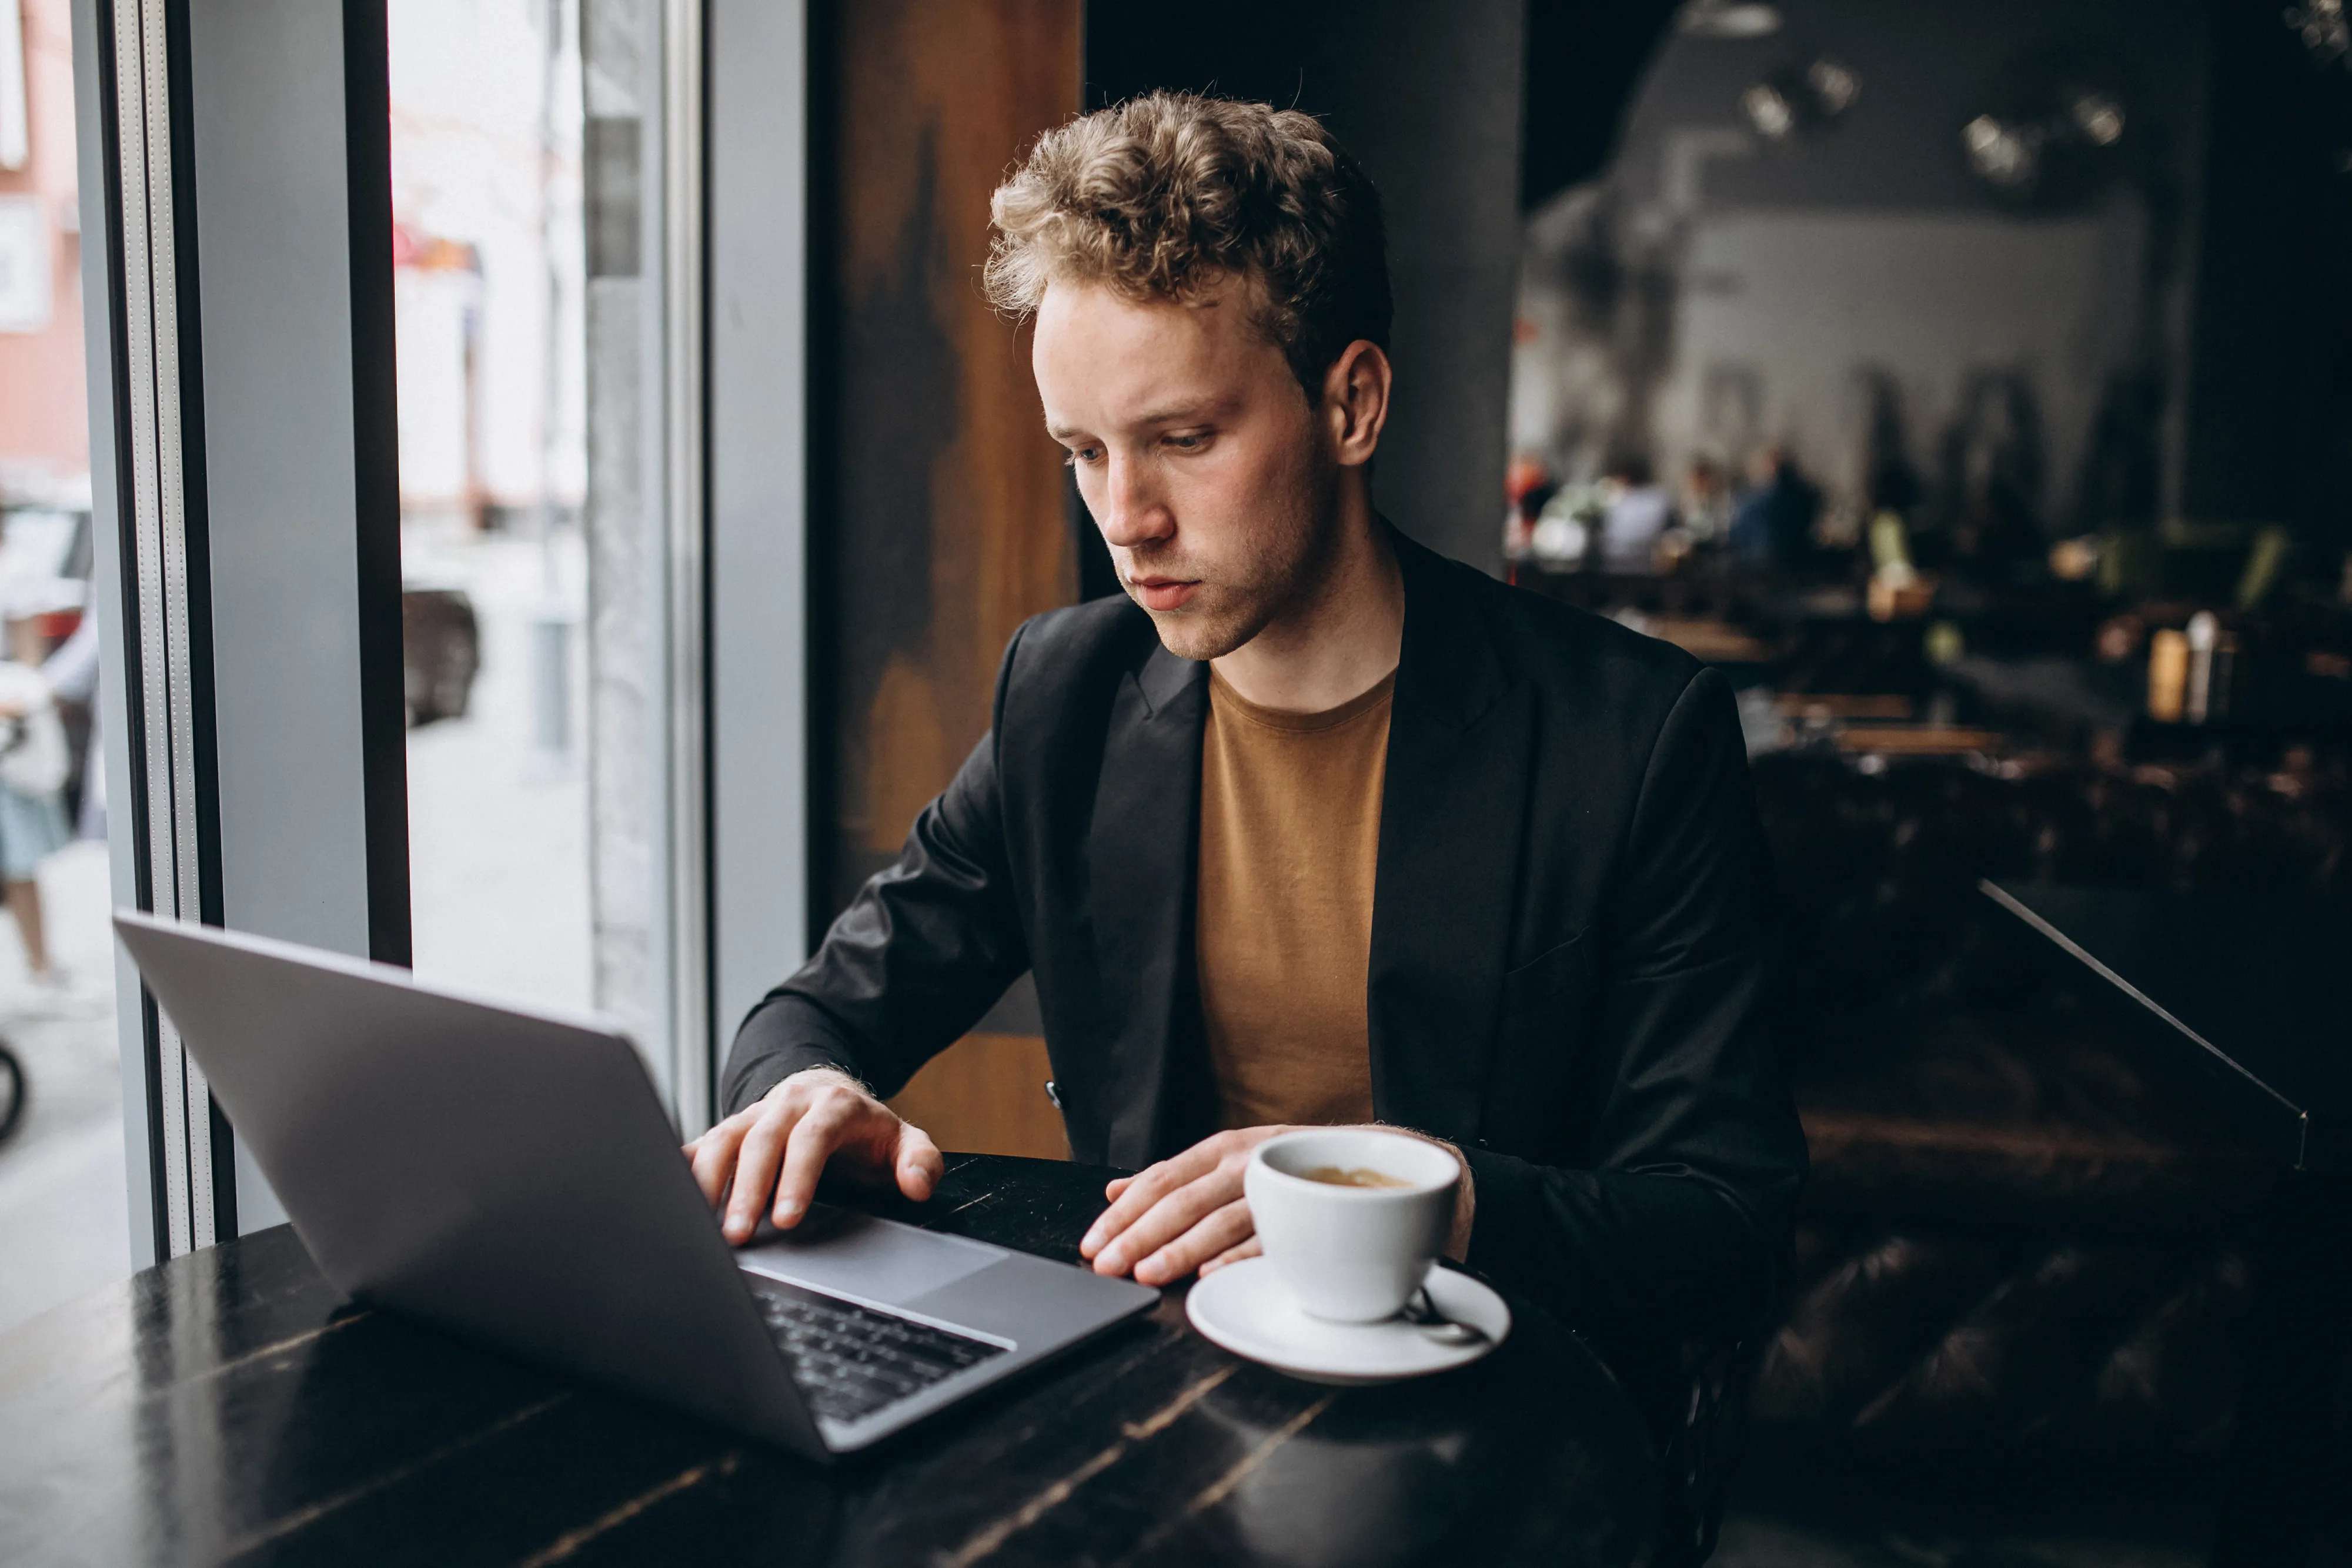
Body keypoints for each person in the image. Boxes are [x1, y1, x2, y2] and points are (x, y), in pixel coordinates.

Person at [689, 93, 1804, 1382]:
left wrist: (1425, 1195)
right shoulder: (1063, 692)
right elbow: (812, 1012)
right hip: (1154, 1390)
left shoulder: (1631, 735)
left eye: (1182, 440)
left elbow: (1727, 1231)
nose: (1126, 518)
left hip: (1499, 1415)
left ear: (1351, 405)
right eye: (1083, 452)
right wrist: (804, 1092)